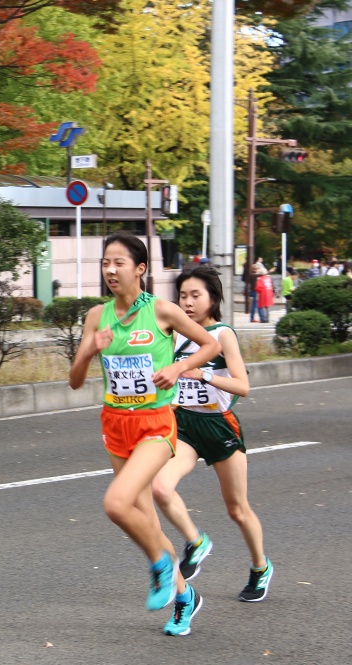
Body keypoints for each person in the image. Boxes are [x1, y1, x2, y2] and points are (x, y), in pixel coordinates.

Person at [69, 232, 220, 636]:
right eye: (105, 262)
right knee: (148, 523)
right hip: (115, 424)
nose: (110, 270)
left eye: (119, 262)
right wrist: (87, 350)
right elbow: (74, 380)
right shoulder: (96, 317)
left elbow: (208, 344)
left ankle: (159, 568)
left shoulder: (163, 311)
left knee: (117, 504)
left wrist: (177, 368)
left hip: (155, 423)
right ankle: (186, 596)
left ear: (140, 269)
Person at [152, 265, 273, 602]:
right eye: (183, 295)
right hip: (185, 424)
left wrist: (203, 375)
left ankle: (260, 567)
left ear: (213, 299)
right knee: (160, 487)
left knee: (237, 509)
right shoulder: (174, 333)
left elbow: (243, 386)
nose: (187, 302)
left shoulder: (222, 335)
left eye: (196, 295)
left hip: (219, 425)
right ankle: (196, 540)